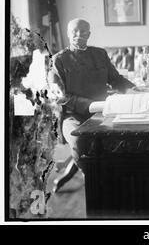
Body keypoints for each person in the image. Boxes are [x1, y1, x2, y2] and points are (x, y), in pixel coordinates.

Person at [48, 18, 136, 192]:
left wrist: (135, 89)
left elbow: (116, 79)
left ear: (89, 34)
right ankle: (97, 183)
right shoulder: (58, 60)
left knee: (127, 138)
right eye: (75, 31)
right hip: (73, 115)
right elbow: (62, 97)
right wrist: (91, 105)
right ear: (68, 33)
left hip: (102, 114)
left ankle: (118, 182)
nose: (79, 35)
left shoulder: (100, 54)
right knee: (79, 139)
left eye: (84, 31)